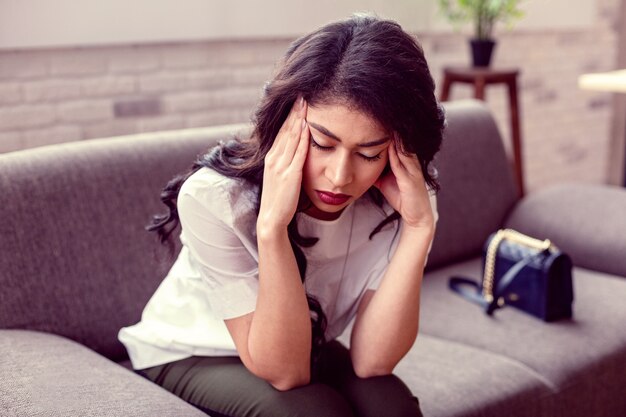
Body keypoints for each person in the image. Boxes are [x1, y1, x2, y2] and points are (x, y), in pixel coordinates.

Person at [119, 13, 445, 417]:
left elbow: (372, 363)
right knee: (312, 411)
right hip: (192, 350)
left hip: (302, 341)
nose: (340, 177)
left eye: (368, 154)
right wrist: (272, 226)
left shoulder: (402, 200)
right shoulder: (216, 198)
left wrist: (418, 228)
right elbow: (287, 373)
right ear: (286, 124)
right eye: (322, 143)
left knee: (390, 405)